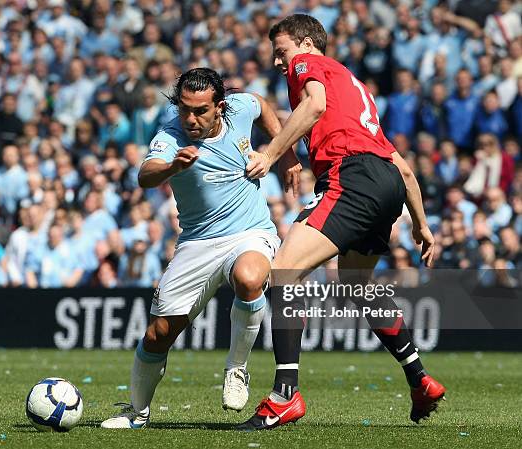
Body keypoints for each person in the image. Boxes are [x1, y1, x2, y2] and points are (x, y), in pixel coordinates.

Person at [239, 14, 445, 430]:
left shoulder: (308, 66)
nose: (279, 62)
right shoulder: (355, 90)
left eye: (282, 51)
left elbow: (312, 106)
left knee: (284, 271)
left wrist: (271, 154)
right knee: (357, 285)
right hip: (385, 182)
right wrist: (422, 225)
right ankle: (420, 378)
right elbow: (402, 169)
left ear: (307, 44)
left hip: (351, 178)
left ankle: (284, 395)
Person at [101, 68, 301, 429]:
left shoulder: (240, 108)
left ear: (220, 107)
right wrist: (171, 167)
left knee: (250, 277)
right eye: (185, 109)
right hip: (197, 241)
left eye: (200, 111)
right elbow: (146, 175)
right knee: (158, 334)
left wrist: (281, 154)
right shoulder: (170, 135)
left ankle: (236, 370)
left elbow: (262, 105)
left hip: (250, 231)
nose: (191, 119)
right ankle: (138, 413)